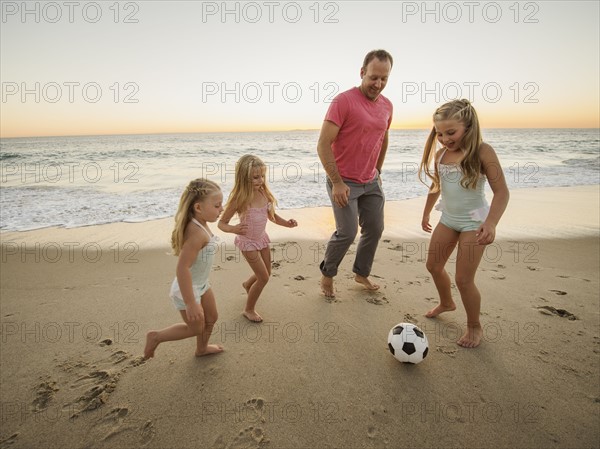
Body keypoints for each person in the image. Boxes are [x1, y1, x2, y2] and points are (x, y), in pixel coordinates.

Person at [419, 99, 510, 348]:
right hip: (448, 218)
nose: (445, 138)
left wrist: (491, 223)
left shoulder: (483, 151)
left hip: (475, 222)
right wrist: (426, 213)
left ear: (468, 127)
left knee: (463, 279)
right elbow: (436, 186)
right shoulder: (441, 155)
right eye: (439, 133)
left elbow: (502, 192)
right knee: (433, 265)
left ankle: (474, 325)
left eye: (451, 132)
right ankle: (447, 302)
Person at [317, 49, 394, 298]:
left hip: (370, 180)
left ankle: (361, 272)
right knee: (347, 232)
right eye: (373, 77)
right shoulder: (343, 101)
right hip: (343, 180)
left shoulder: (387, 106)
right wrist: (337, 182)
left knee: (375, 228)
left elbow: (383, 138)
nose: (378, 84)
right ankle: (328, 275)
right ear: (362, 72)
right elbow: (323, 144)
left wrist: (378, 170)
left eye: (384, 78)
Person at [144, 178, 224, 358]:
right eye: (217, 206)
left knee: (212, 317)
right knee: (196, 327)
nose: (222, 209)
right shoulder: (195, 233)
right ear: (198, 208)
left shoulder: (202, 223)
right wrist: (190, 303)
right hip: (187, 289)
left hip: (201, 283)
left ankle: (201, 349)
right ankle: (156, 337)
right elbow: (182, 268)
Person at [218, 154, 298, 323]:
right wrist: (233, 229)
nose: (260, 180)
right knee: (263, 278)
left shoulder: (264, 194)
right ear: (243, 178)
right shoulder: (239, 199)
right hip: (247, 243)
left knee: (267, 272)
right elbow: (222, 224)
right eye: (255, 177)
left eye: (262, 176)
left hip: (261, 239)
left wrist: (287, 224)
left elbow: (272, 216)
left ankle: (248, 285)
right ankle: (248, 309)